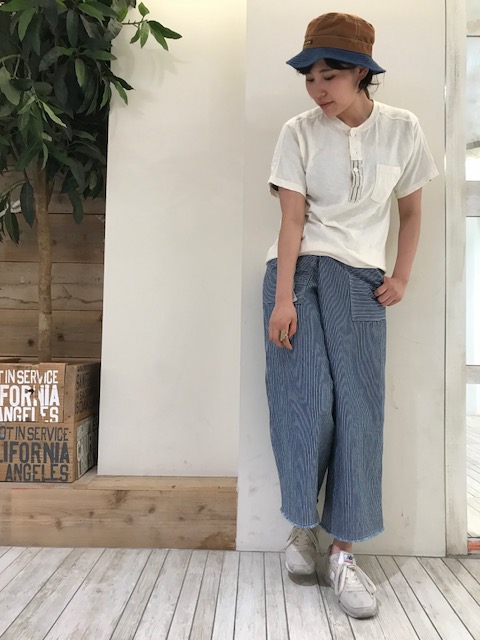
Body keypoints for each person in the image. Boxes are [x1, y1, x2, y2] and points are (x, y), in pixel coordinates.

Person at [263, 12, 438, 619]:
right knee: (306, 405)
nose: (317, 89)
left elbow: (411, 212)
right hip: (298, 275)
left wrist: (402, 276)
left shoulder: (403, 129)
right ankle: (301, 527)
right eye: (309, 77)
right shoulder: (298, 132)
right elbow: (291, 219)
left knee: (360, 414)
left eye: (330, 76)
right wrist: (282, 298)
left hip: (362, 280)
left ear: (362, 73)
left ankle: (343, 552)